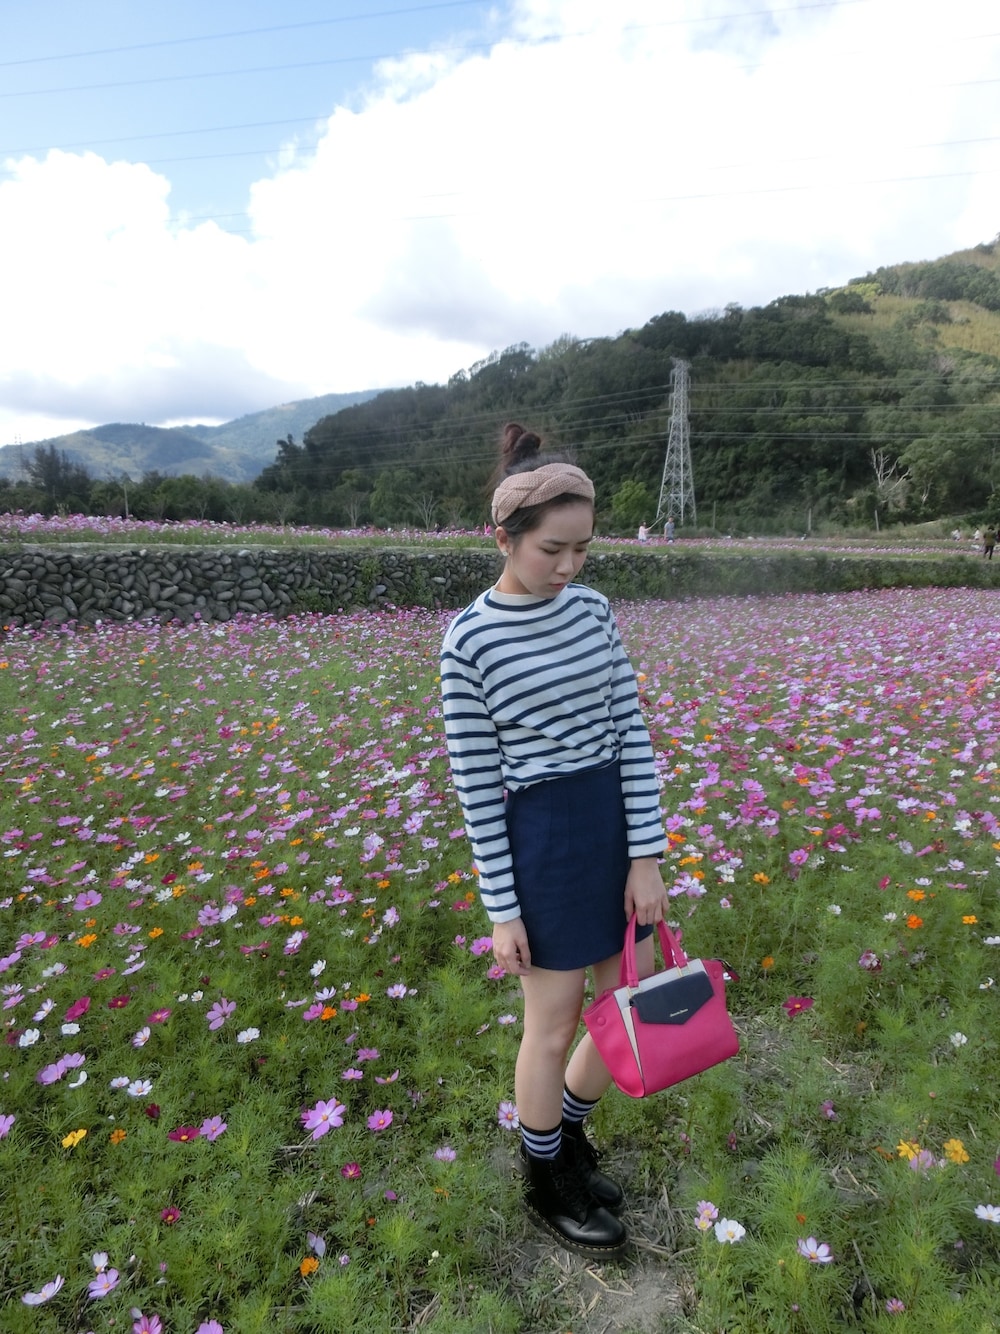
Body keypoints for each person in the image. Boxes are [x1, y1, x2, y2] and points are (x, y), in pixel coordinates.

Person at [440, 423, 668, 1259]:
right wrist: (503, 910)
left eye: (583, 549)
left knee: (627, 1002)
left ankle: (567, 1135)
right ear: (502, 538)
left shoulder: (595, 612)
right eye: (551, 550)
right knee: (554, 1019)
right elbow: (476, 787)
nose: (569, 567)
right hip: (541, 839)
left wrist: (646, 855)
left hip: (611, 821)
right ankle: (544, 1179)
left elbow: (631, 732)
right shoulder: (469, 643)